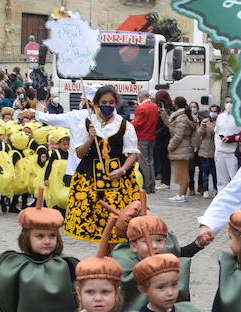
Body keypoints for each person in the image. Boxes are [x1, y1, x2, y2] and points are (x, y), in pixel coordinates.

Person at [41, 88, 140, 243]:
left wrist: (122, 170)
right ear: (96, 104)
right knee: (95, 223)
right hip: (89, 178)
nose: (108, 105)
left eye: (111, 102)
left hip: (119, 179)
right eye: (104, 102)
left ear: (116, 103)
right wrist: (90, 138)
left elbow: (133, 153)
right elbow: (79, 153)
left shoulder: (125, 125)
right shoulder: (86, 123)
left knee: (118, 224)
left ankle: (113, 257)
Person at [165, 96, 197, 202]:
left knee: (182, 172)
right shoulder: (183, 116)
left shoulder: (181, 118)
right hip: (184, 147)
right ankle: (181, 193)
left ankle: (181, 194)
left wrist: (170, 146)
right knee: (181, 171)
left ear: (177, 105)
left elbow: (178, 135)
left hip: (181, 148)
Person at [130, 91, 160, 194]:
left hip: (142, 136)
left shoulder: (141, 108)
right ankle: (152, 185)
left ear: (140, 97)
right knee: (150, 161)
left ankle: (146, 185)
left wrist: (127, 125)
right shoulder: (154, 106)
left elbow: (137, 123)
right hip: (151, 136)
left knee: (143, 162)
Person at [213, 99, 240, 190]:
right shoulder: (220, 116)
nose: (229, 104)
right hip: (219, 151)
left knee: (234, 178)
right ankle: (221, 198)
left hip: (232, 153)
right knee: (221, 179)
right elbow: (217, 131)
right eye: (227, 102)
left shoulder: (239, 117)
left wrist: (231, 139)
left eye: (231, 102)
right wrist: (219, 141)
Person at [151, 89, 173, 194]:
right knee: (162, 160)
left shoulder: (167, 110)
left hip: (163, 138)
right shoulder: (164, 109)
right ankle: (164, 180)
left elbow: (166, 125)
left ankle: (166, 182)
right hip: (161, 137)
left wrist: (156, 133)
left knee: (164, 161)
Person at [195, 107, 216, 199]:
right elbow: (199, 134)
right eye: (211, 111)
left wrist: (214, 132)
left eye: (215, 111)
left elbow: (222, 134)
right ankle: (205, 190)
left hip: (215, 151)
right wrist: (202, 129)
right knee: (204, 171)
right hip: (204, 150)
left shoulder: (219, 122)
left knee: (215, 172)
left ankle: (216, 189)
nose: (213, 113)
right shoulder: (205, 122)